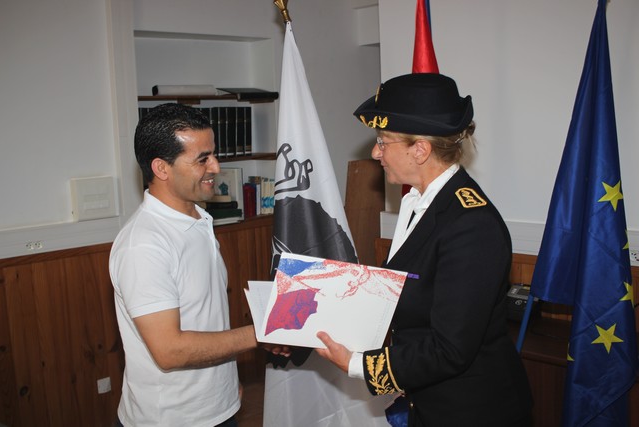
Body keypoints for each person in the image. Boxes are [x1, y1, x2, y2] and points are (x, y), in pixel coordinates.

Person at [316, 73, 533, 426]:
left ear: (420, 150)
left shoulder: (471, 225)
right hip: (429, 400)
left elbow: (450, 350)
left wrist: (357, 364)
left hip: (472, 411)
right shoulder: (420, 201)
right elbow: (405, 295)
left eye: (383, 141)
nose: (375, 152)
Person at [109, 103, 287, 426]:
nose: (216, 166)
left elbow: (206, 317)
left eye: (213, 154)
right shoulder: (143, 244)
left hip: (218, 407)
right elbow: (170, 350)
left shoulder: (199, 219)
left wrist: (226, 386)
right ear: (162, 168)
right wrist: (259, 334)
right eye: (202, 159)